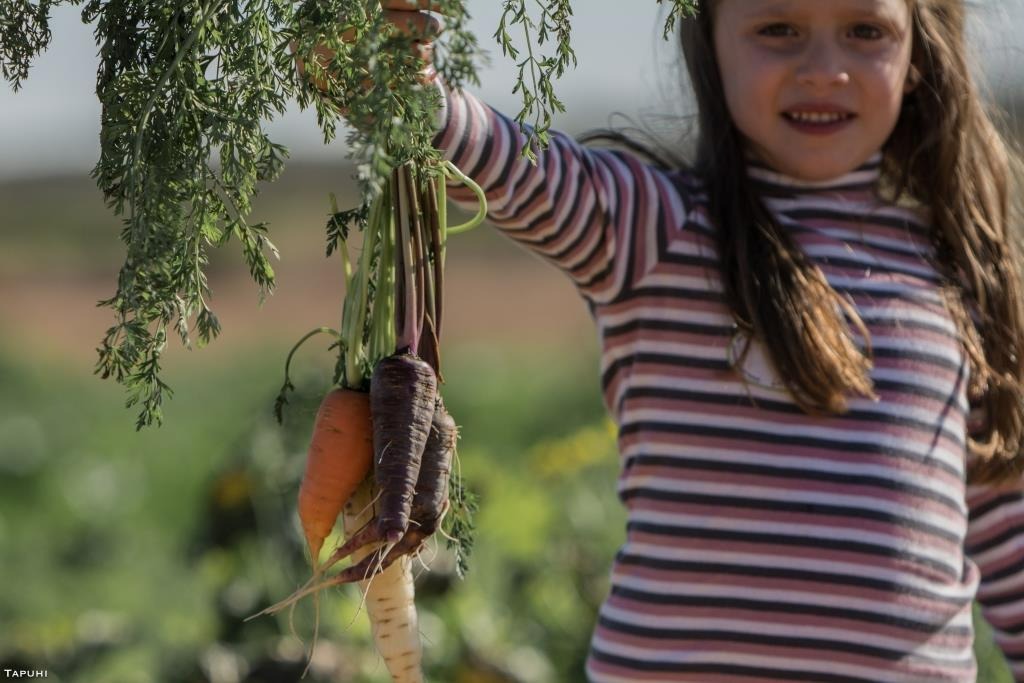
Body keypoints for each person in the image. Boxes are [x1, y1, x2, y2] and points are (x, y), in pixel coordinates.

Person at [369, 1, 1024, 680]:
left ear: (919, 52)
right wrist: (400, 78)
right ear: (710, 45)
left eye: (867, 31)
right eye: (779, 30)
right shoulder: (658, 228)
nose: (825, 71)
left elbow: (1007, 527)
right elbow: (513, 166)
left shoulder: (957, 272)